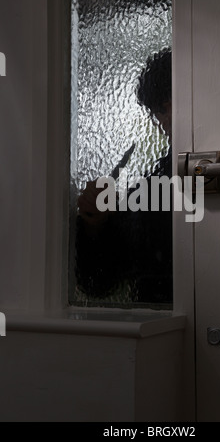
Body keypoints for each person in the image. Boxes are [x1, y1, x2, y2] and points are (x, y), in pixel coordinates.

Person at [75, 48, 172, 304]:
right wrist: (97, 225)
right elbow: (99, 282)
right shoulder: (155, 185)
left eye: (171, 102)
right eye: (161, 108)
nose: (167, 118)